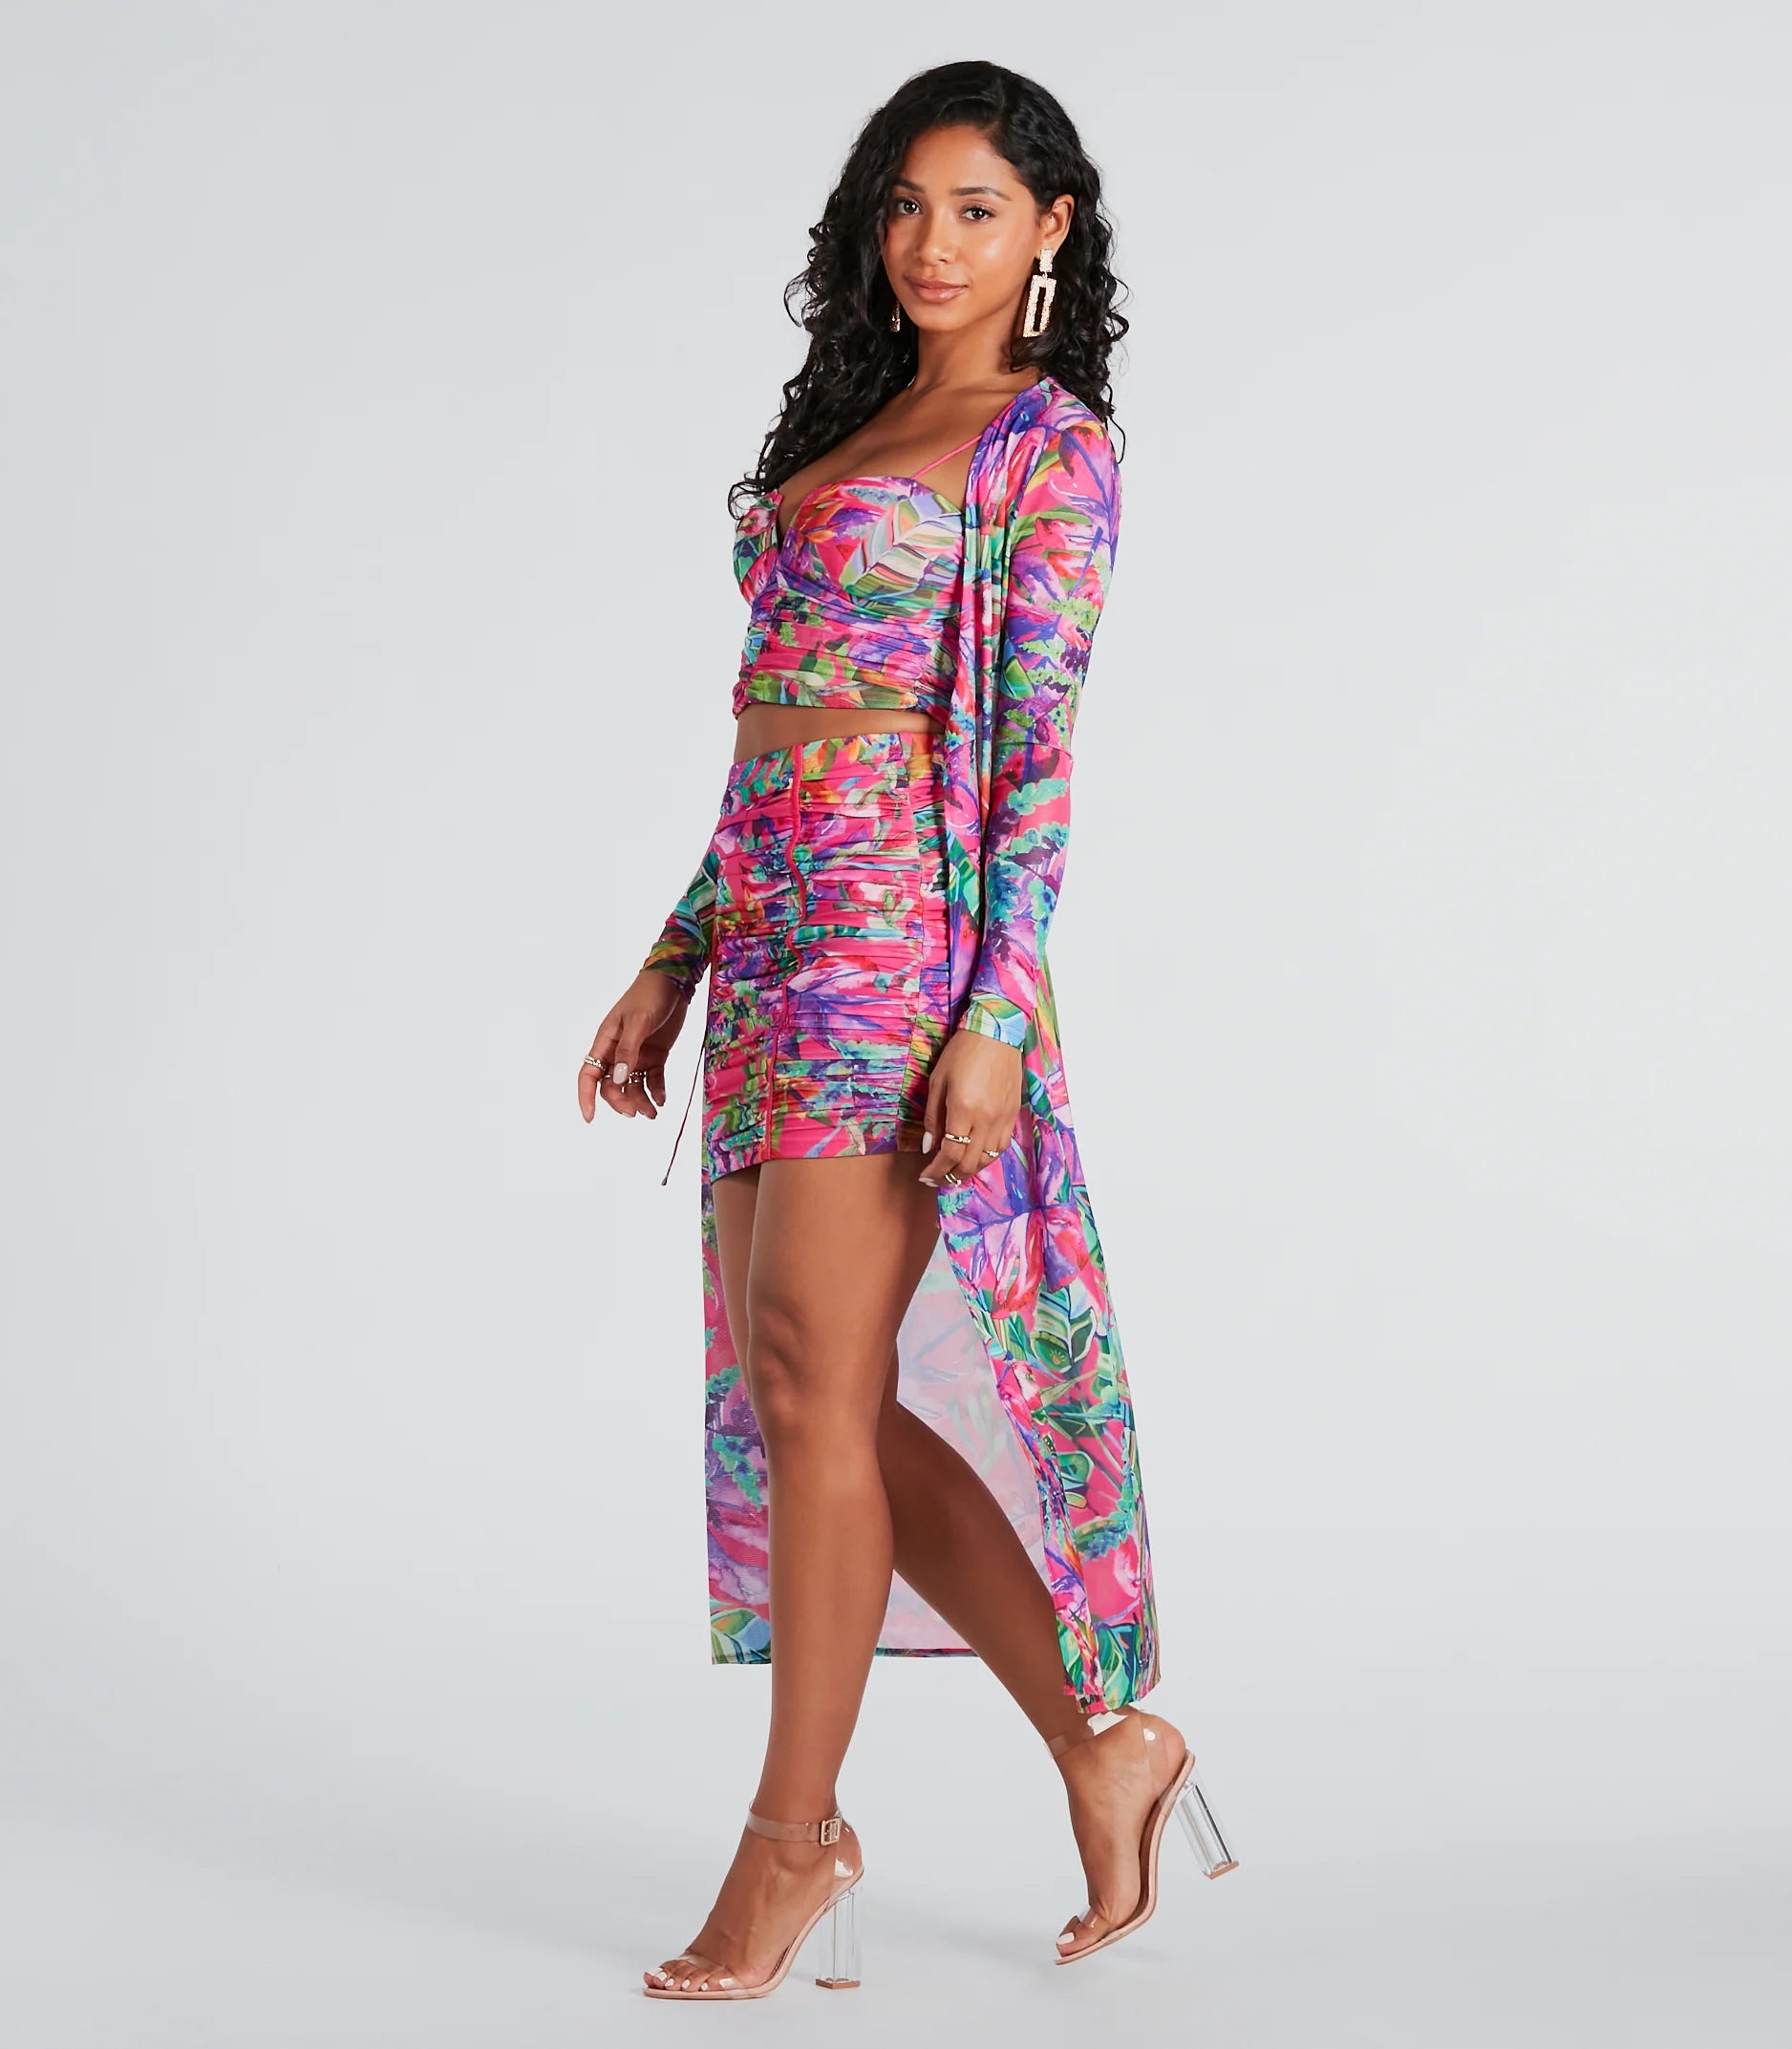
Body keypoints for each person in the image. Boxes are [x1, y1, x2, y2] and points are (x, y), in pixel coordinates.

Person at [579, 59, 1237, 2001]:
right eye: (904, 205)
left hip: (901, 943)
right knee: (821, 1399)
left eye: (974, 207)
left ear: (1051, 229)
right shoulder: (853, 421)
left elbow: (1033, 753)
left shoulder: (1047, 447)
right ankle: (1105, 1749)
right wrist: (675, 951)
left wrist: (997, 1012)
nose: (930, 243)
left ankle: (792, 1842)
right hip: (775, 940)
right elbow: (773, 731)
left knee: (814, 1382)